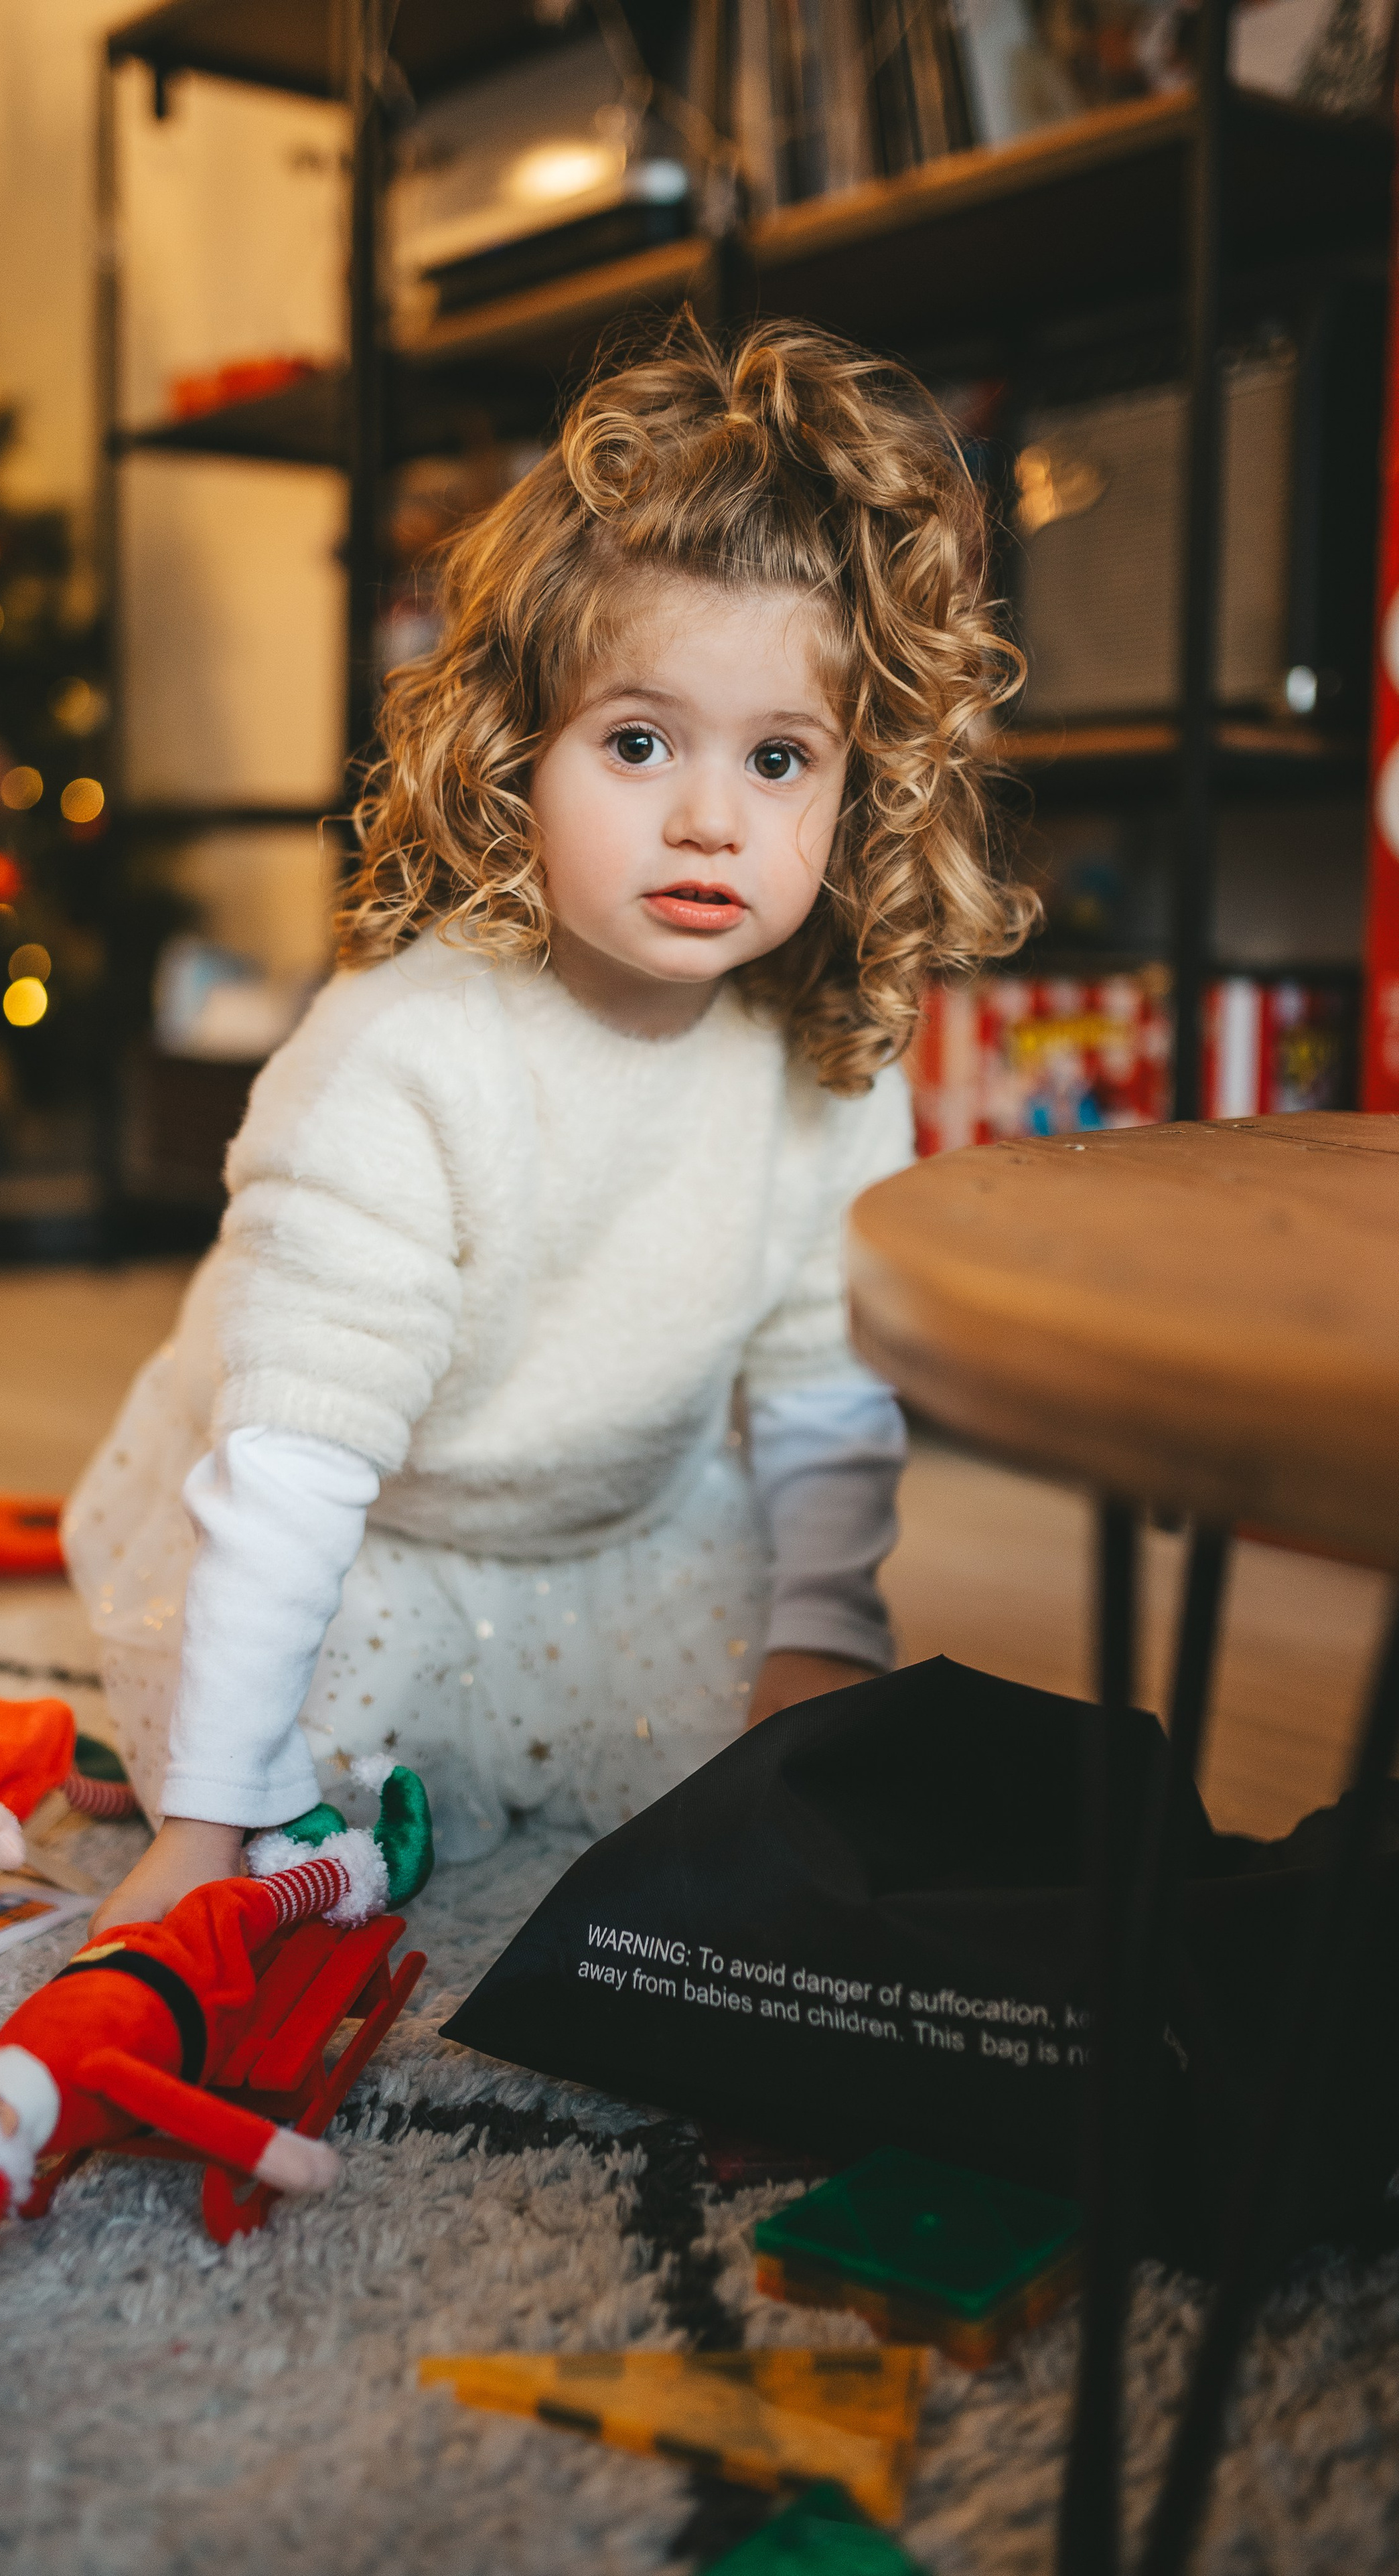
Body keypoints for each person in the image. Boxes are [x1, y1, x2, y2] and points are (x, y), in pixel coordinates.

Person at [68, 315, 1035, 1934]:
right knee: (302, 1816)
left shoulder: (823, 1064)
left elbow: (815, 1397)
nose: (709, 816)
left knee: (790, 1810)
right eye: (638, 741)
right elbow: (294, 1464)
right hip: (361, 1531)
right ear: (517, 752)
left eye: (779, 756)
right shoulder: (405, 1061)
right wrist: (204, 1819)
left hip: (627, 1532)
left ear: (859, 791)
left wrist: (818, 1635)